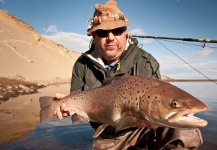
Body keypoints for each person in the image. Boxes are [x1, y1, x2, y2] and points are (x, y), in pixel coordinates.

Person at [56, 0, 204, 149]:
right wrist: (66, 106)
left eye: (117, 30)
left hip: (146, 130)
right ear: (93, 36)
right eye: (102, 32)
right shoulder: (81, 65)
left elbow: (159, 105)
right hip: (108, 135)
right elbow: (75, 99)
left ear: (126, 33)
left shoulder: (146, 62)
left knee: (187, 132)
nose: (111, 37)